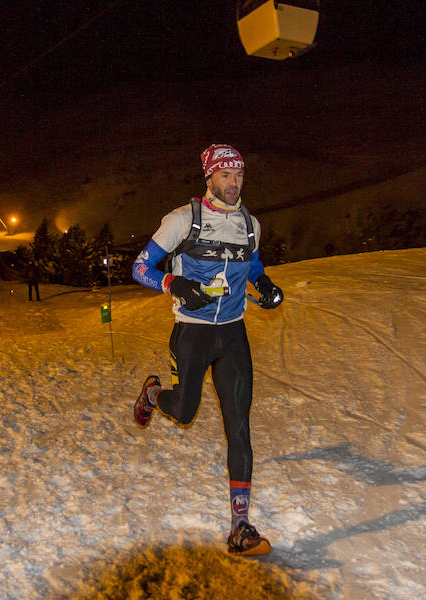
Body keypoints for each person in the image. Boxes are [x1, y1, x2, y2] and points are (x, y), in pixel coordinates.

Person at [131, 143, 284, 555]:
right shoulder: (182, 220)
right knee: (185, 411)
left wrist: (263, 283)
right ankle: (153, 394)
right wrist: (174, 284)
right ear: (209, 177)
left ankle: (240, 527)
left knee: (239, 426)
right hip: (193, 333)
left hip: (233, 334)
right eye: (225, 175)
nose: (234, 183)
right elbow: (140, 268)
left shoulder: (250, 224)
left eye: (239, 175)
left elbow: (252, 264)